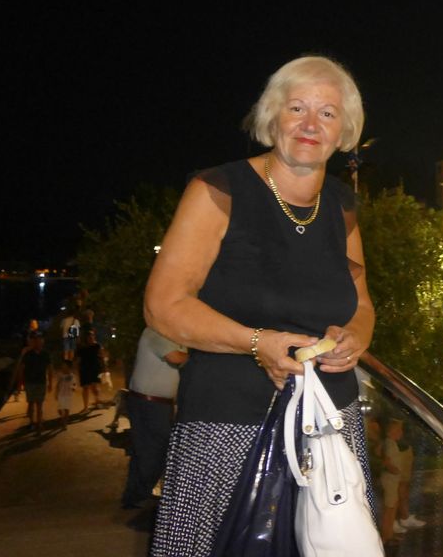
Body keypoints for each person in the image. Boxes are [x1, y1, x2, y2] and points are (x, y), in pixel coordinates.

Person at [145, 56, 377, 556]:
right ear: (272, 118)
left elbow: (360, 302)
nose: (311, 124)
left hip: (329, 425)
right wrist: (257, 343)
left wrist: (356, 337)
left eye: (327, 113)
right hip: (228, 423)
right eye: (297, 108)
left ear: (344, 132)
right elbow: (163, 306)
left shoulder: (341, 205)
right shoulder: (218, 190)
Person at [121, 327, 188, 510]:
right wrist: (200, 357)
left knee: (146, 450)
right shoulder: (156, 332)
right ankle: (139, 494)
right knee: (157, 450)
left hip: (156, 404)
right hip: (148, 402)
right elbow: (175, 358)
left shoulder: (171, 335)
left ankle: (135, 495)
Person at [18, 331, 52, 434]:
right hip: (30, 382)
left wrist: (50, 383)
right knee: (31, 404)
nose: (38, 342)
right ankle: (32, 422)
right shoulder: (28, 354)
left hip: (41, 382)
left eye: (40, 341)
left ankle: (39, 423)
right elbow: (22, 368)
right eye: (36, 341)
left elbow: (50, 369)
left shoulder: (45, 354)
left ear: (42, 342)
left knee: (39, 405)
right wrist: (21, 383)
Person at [380, 418, 406, 543]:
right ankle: (385, 536)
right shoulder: (389, 444)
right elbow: (387, 461)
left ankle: (389, 534)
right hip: (390, 480)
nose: (401, 433)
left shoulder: (392, 443)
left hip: (393, 481)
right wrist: (395, 470)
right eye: (398, 430)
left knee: (393, 506)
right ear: (390, 432)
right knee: (389, 508)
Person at [76, 329, 104, 411]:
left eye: (92, 336)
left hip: (94, 369)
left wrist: (104, 367)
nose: (90, 338)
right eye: (89, 337)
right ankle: (85, 406)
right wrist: (78, 369)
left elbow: (102, 356)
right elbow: (78, 360)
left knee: (95, 387)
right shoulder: (82, 347)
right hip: (84, 369)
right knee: (85, 388)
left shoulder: (97, 346)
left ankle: (97, 401)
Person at [55, 359, 76, 429]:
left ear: (69, 367)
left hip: (68, 395)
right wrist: (56, 392)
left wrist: (73, 388)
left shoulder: (72, 376)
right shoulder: (60, 375)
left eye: (65, 366)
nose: (63, 367)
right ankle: (63, 417)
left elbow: (74, 384)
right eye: (62, 366)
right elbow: (58, 384)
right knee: (59, 409)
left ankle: (65, 423)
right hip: (61, 394)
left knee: (67, 409)